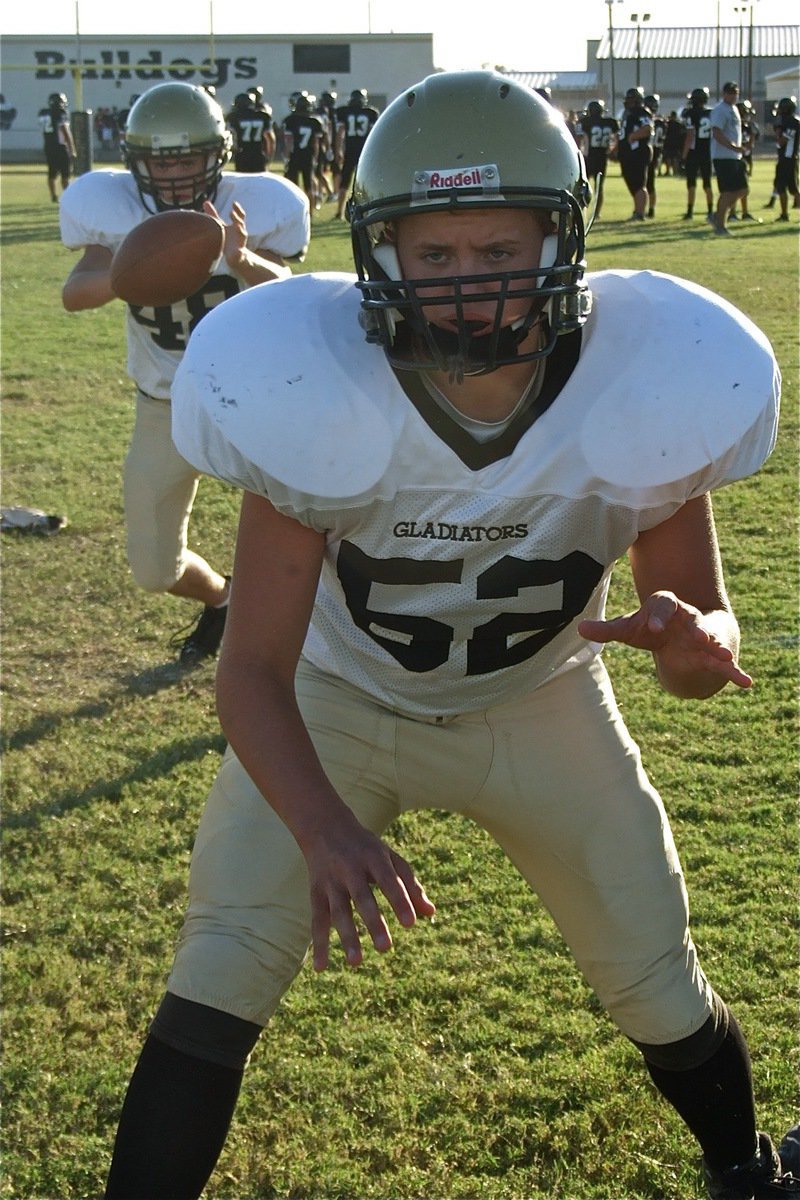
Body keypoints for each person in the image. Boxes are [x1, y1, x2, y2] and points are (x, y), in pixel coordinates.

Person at [102, 70, 797, 1200]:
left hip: (541, 701)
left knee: (652, 979)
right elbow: (253, 666)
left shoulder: (646, 382)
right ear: (381, 257)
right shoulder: (309, 382)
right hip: (337, 699)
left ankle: (742, 1170)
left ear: (559, 242)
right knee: (219, 969)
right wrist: (321, 828)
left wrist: (692, 642)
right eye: (435, 258)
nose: (470, 286)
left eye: (498, 251)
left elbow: (697, 623)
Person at [59, 82, 309, 665]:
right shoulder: (114, 211)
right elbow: (75, 294)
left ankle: (322, 646)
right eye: (159, 161)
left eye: (187, 159)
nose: (173, 175)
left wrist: (242, 259)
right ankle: (224, 599)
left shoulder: (257, 205)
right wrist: (137, 266)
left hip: (257, 403)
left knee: (312, 536)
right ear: (134, 162)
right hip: (164, 406)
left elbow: (295, 298)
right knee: (152, 567)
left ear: (216, 155)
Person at [709, 81, 749, 236]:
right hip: (723, 156)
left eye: (736, 93)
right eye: (731, 93)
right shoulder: (720, 110)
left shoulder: (734, 109)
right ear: (724, 93)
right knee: (728, 191)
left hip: (734, 156)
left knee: (743, 189)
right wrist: (733, 147)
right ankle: (720, 225)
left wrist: (740, 146)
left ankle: (717, 215)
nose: (734, 95)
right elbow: (717, 133)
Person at [334, 87, 379, 218]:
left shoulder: (345, 112)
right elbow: (373, 134)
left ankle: (339, 211)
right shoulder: (370, 113)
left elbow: (340, 134)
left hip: (349, 150)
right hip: (365, 152)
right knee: (365, 182)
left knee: (344, 182)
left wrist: (337, 151)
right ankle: (368, 209)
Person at [575, 98, 618, 219]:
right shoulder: (610, 122)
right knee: (599, 187)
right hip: (602, 157)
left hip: (588, 157)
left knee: (582, 186)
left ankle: (581, 209)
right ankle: (597, 213)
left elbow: (578, 140)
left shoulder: (584, 122)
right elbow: (617, 136)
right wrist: (613, 150)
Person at [282, 91, 324, 211]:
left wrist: (286, 156)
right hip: (308, 155)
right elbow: (316, 143)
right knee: (309, 186)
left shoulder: (290, 120)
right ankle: (310, 211)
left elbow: (289, 141)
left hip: (295, 155)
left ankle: (294, 209)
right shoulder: (315, 122)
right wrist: (315, 157)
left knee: (293, 185)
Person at [617, 86, 653, 221]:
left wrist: (633, 136)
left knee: (639, 184)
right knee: (633, 183)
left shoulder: (642, 112)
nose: (628, 102)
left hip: (638, 153)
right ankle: (637, 210)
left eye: (631, 99)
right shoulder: (628, 113)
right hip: (629, 154)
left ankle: (640, 213)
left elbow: (648, 128)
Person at [681, 86, 715, 220]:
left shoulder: (691, 114)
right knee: (707, 183)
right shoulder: (711, 113)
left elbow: (690, 137)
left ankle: (690, 211)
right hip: (707, 151)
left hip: (694, 152)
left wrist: (683, 155)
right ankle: (710, 210)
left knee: (691, 183)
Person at [39, 92, 76, 202]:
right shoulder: (60, 112)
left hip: (48, 146)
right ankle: (68, 196)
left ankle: (53, 195)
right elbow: (65, 130)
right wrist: (72, 148)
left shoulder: (43, 113)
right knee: (65, 174)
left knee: (52, 173)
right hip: (60, 146)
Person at [227, 90, 275, 173]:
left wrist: (232, 150)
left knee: (243, 181)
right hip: (258, 153)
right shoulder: (263, 116)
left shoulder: (234, 116)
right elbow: (270, 139)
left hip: (242, 154)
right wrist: (269, 156)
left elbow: (232, 135)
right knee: (259, 180)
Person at [771, 96, 800, 222]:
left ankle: (784, 215)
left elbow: (782, 141)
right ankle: (785, 214)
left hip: (786, 158)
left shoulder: (789, 122)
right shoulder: (795, 121)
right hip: (791, 158)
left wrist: (778, 134)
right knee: (793, 188)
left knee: (782, 187)